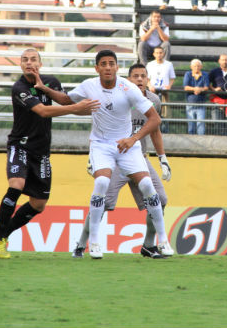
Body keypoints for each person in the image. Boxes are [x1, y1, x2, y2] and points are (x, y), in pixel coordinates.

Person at [0, 49, 99, 259]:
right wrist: (77, 107)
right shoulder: (19, 88)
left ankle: (2, 232)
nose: (29, 63)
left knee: (38, 205)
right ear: (20, 65)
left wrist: (87, 107)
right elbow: (43, 111)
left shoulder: (51, 82)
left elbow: (66, 101)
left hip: (41, 151)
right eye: (25, 60)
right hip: (20, 145)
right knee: (17, 184)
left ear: (40, 64)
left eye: (33, 59)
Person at [65, 50, 173, 259]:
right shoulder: (118, 93)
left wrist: (163, 158)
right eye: (136, 76)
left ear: (147, 79)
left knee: (160, 198)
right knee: (102, 199)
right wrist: (91, 156)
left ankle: (149, 245)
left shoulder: (152, 101)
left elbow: (155, 129)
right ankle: (81, 243)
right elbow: (98, 128)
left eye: (143, 76)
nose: (140, 80)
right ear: (127, 78)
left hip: (137, 156)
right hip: (111, 156)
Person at [183, 59, 209, 135]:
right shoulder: (188, 74)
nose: (196, 67)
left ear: (201, 66)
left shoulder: (204, 74)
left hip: (201, 103)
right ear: (191, 67)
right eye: (194, 66)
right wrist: (195, 89)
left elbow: (206, 87)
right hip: (190, 103)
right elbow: (186, 87)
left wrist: (200, 89)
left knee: (201, 125)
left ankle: (201, 141)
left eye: (198, 66)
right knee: (191, 125)